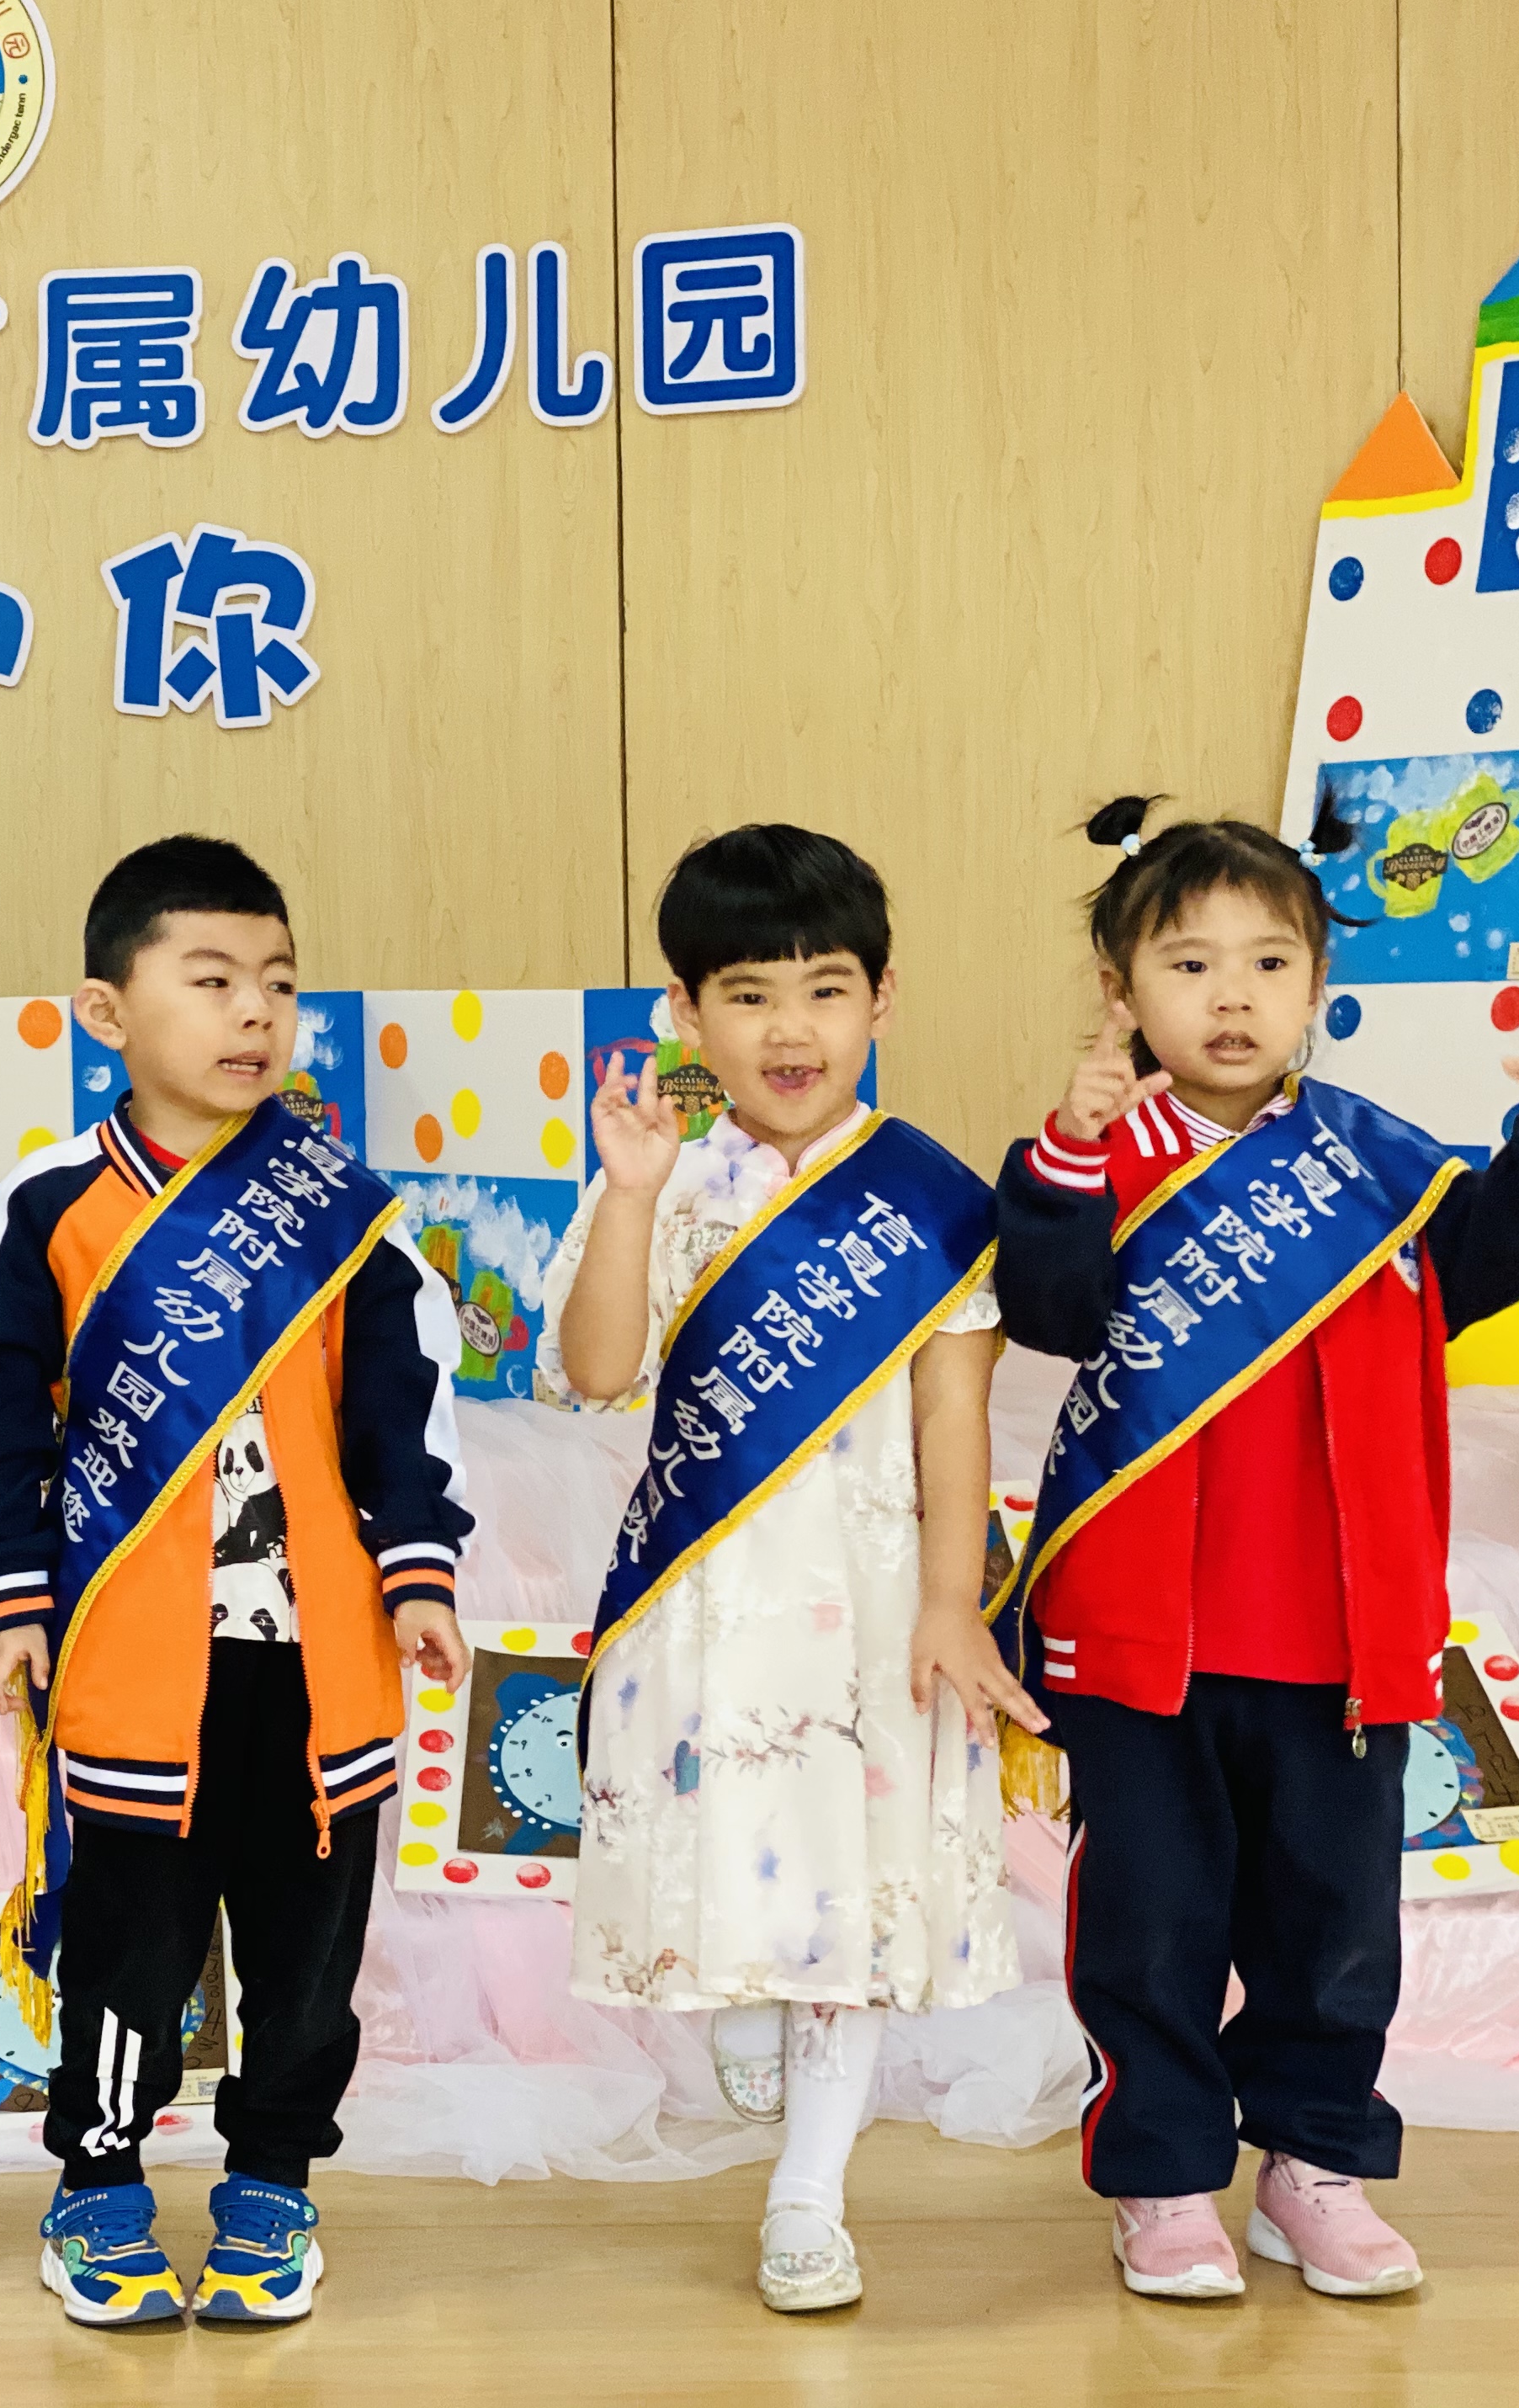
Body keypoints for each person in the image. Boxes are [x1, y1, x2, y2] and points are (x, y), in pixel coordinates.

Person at [991, 795, 1519, 2303]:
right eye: (1190, 964)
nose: (1232, 996)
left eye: (1268, 962)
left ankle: (1313, 2168)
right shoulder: (1094, 1157)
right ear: (1120, 990)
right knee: (1149, 1929)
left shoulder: (1375, 1167)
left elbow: (1502, 1250)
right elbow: (1050, 1310)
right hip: (1143, 1637)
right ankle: (1162, 2182)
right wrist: (1067, 1154)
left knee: (1334, 1933)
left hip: (1342, 1638)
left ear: (1317, 982)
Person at [0, 834, 474, 2329]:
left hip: (316, 1663)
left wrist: (417, 1573)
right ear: (107, 1012)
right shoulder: (52, 1208)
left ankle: (273, 2179)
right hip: (131, 1662)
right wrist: (8, 1595)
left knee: (307, 1953)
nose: (254, 1013)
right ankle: (97, 2186)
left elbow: (404, 1407)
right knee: (126, 1949)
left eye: (277, 983)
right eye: (211, 980)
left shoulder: (345, 1211)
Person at [539, 823, 1028, 2313]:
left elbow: (955, 1417)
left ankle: (810, 2193)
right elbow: (597, 1373)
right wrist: (630, 1195)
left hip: (876, 1609)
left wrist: (951, 1605)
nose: (790, 1028)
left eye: (826, 989)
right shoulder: (664, 1177)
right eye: (748, 994)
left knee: (853, 1907)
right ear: (687, 1014)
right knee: (730, 1863)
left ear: (882, 997)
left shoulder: (931, 1199)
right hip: (703, 1605)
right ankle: (745, 2006)